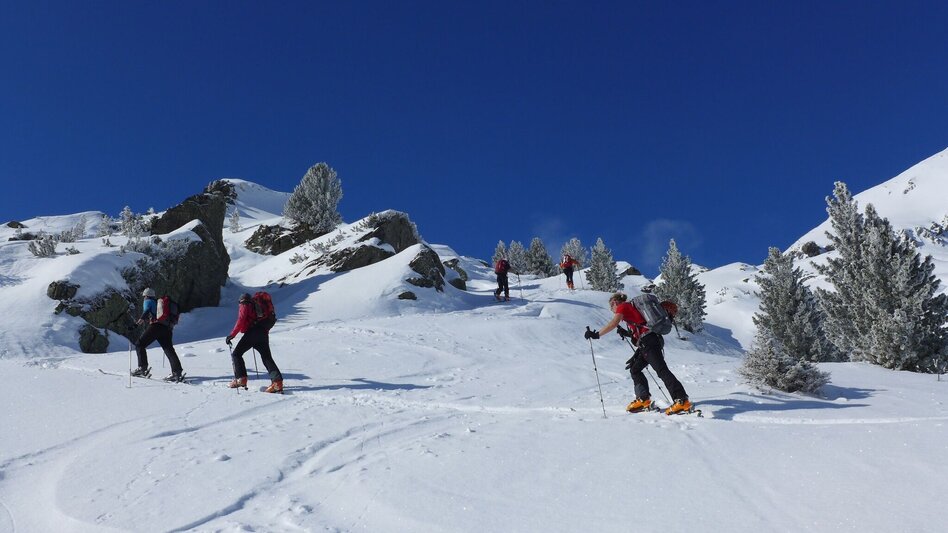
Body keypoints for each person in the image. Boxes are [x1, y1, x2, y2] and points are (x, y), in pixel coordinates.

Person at [584, 292, 691, 415]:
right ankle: (643, 399)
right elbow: (641, 329)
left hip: (649, 342)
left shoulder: (622, 306)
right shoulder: (631, 309)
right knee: (635, 369)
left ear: (614, 302)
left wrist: (596, 334)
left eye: (611, 306)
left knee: (661, 370)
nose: (612, 310)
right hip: (648, 342)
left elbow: (613, 323)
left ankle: (681, 400)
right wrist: (628, 333)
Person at [226, 293, 284, 393]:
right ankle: (277, 382)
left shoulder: (245, 304)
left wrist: (232, 335)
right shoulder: (257, 305)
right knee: (266, 357)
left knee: (236, 354)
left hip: (253, 332)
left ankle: (241, 379)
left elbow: (241, 319)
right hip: (263, 333)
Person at [134, 288, 185, 382]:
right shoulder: (158, 303)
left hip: (156, 326)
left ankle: (142, 368)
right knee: (169, 349)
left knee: (139, 344)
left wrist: (138, 322)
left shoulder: (148, 301)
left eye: (144, 296)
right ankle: (177, 373)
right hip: (167, 328)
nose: (144, 298)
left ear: (146, 295)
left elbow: (146, 311)